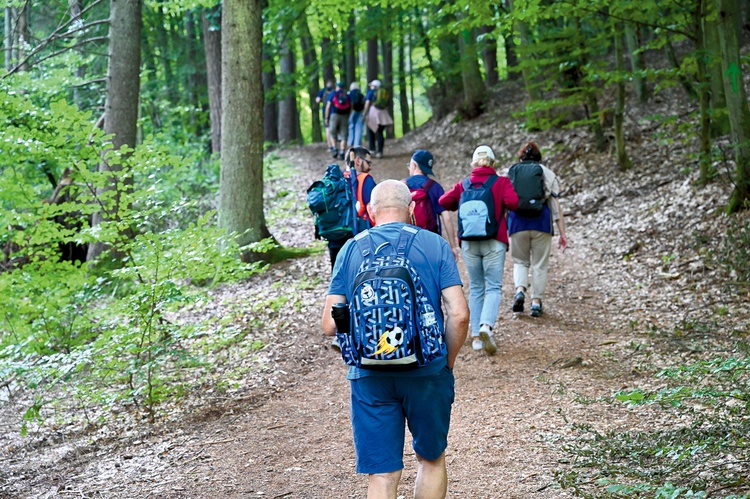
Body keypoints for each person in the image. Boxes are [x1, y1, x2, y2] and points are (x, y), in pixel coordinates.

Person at [321, 179, 469, 498]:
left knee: (383, 472)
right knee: (430, 460)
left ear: (371, 212)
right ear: (412, 209)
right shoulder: (434, 245)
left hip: (369, 374)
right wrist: (446, 363)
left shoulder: (350, 249)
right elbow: (459, 315)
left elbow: (329, 324)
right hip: (427, 371)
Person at [439, 145, 518, 355]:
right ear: (493, 163)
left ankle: (475, 337)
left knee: (475, 287)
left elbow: (443, 201)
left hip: (469, 242)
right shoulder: (501, 182)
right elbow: (514, 202)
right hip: (494, 240)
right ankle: (486, 326)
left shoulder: (464, 184)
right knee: (493, 286)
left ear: (474, 163)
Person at [507, 141, 568, 318]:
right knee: (540, 265)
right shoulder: (547, 173)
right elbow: (555, 206)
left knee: (520, 261)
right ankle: (536, 302)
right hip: (541, 223)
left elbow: (506, 201)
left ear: (521, 156)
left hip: (517, 223)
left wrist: (502, 227)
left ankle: (519, 290)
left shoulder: (512, 172)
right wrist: (562, 233)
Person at [404, 149, 459, 260]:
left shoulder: (401, 186)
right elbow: (447, 218)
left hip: (406, 241)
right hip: (430, 240)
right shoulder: (435, 187)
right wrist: (453, 247)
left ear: (414, 165)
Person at [362, 79, 393, 159]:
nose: (371, 86)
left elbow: (367, 103)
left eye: (372, 85)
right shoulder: (384, 93)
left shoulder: (371, 92)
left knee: (371, 131)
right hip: (383, 114)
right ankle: (380, 151)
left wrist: (364, 114)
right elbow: (387, 104)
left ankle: (372, 149)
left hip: (373, 113)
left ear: (374, 86)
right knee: (380, 133)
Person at [325, 82, 351, 160]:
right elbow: (351, 107)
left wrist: (326, 117)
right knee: (344, 136)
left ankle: (335, 149)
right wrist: (348, 116)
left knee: (332, 133)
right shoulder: (347, 96)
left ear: (337, 87)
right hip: (345, 116)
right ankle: (342, 151)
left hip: (334, 115)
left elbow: (328, 106)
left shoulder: (332, 94)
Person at [315, 79, 336, 153]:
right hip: (335, 112)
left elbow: (317, 100)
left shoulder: (323, 91)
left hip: (325, 111)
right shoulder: (335, 91)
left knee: (327, 128)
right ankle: (335, 146)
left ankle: (330, 146)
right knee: (334, 129)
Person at [347, 82, 365, 148]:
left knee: (351, 127)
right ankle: (357, 144)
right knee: (359, 128)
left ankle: (350, 143)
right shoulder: (361, 94)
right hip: (360, 112)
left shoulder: (349, 94)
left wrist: (349, 113)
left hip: (353, 112)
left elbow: (350, 104)